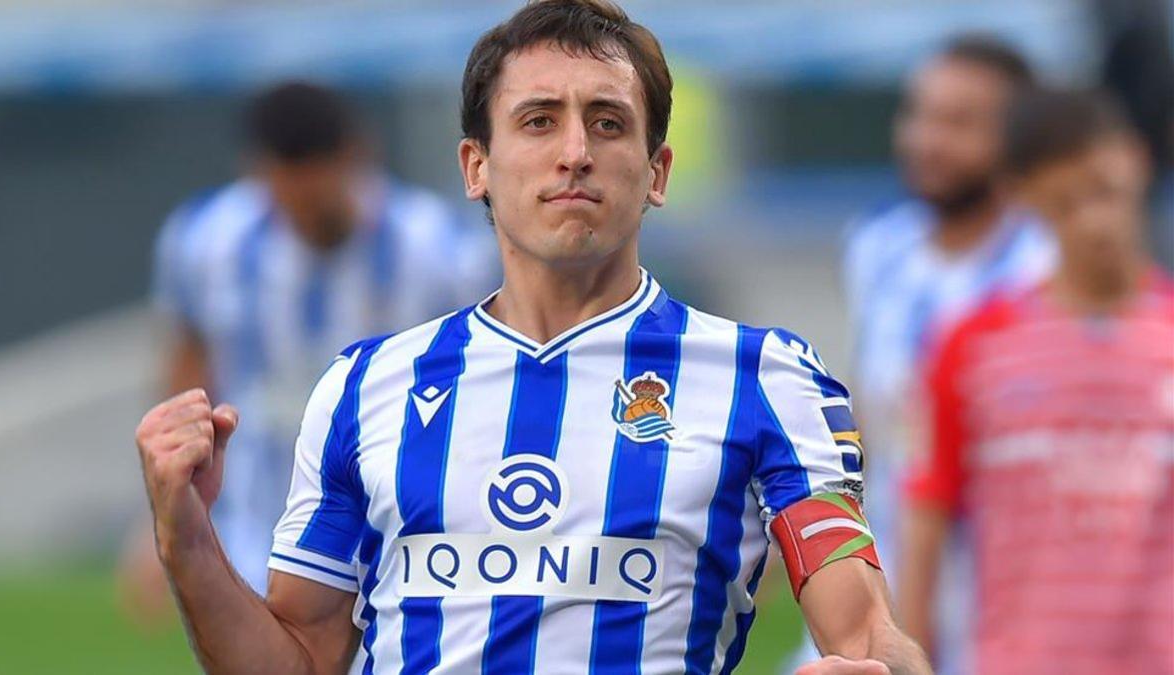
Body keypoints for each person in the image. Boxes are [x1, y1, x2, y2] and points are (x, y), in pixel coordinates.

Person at [133, 2, 931, 673]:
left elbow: (863, 631)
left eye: (608, 123)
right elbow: (301, 657)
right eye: (539, 121)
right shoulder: (363, 386)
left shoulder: (766, 378)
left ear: (656, 173)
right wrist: (188, 542)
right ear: (476, 166)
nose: (575, 153)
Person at [119, 81, 496, 615]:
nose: (301, 196)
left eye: (315, 176)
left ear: (355, 157)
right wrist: (159, 517)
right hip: (257, 519)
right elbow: (189, 363)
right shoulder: (205, 239)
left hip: (394, 524)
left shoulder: (439, 251)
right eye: (283, 178)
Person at [899, 88, 1174, 673]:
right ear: (1025, 201)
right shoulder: (972, 345)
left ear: (1136, 160)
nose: (1094, 222)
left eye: (1103, 191)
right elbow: (925, 526)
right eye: (1065, 204)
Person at [808, 35, 1056, 674]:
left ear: (1018, 141)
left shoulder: (1043, 273)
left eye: (958, 122)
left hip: (1001, 600)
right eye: (920, 114)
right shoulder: (878, 250)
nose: (927, 138)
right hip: (885, 586)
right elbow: (875, 421)